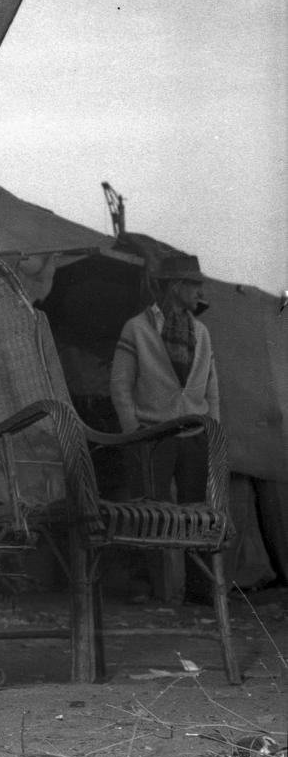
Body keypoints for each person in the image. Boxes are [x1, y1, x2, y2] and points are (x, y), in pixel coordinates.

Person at [108, 250, 219, 602]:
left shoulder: (200, 332)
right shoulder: (137, 328)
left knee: (197, 516)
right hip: (152, 436)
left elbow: (212, 388)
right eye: (193, 283)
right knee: (147, 513)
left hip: (195, 436)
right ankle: (146, 588)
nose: (199, 290)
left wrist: (213, 431)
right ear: (174, 287)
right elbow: (120, 386)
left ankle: (200, 595)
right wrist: (135, 432)